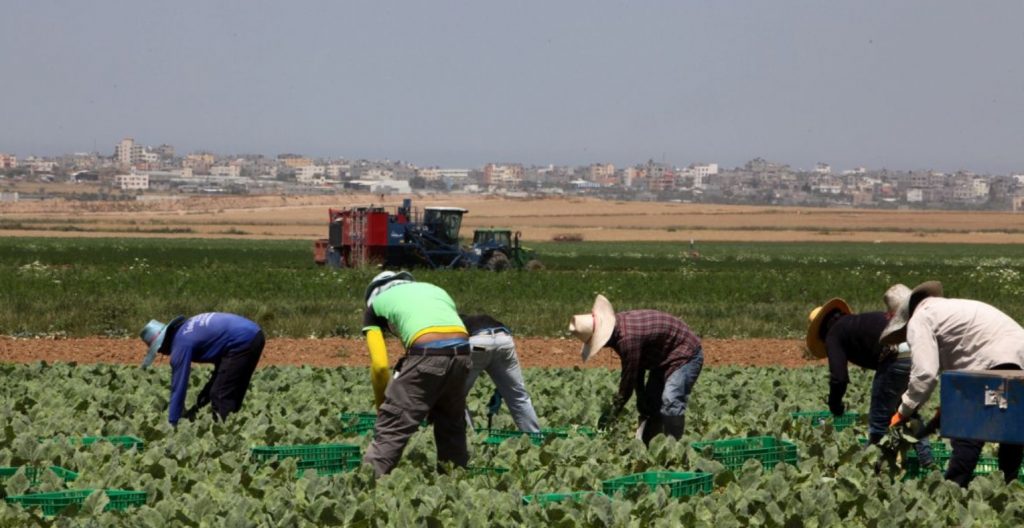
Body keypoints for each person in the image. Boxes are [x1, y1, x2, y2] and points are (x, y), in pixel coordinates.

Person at [881, 281, 1024, 487]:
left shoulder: (920, 319)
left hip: (993, 362)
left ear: (902, 316)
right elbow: (965, 357)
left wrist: (904, 410)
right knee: (1010, 427)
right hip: (1017, 360)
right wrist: (947, 407)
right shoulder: (946, 309)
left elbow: (924, 375)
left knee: (967, 430)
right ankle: (1009, 487)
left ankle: (954, 489)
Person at [362, 271, 471, 476]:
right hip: (463, 354)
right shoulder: (436, 290)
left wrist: (383, 407)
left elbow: (379, 366)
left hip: (426, 352)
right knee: (451, 425)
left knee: (391, 430)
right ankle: (454, 482)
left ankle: (367, 483)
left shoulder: (375, 307)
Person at [806, 296, 932, 465]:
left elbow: (838, 377)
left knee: (879, 421)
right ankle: (927, 460)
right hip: (917, 352)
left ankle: (872, 467)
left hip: (894, 357)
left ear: (821, 330)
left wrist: (834, 404)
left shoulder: (834, 334)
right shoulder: (856, 322)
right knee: (908, 411)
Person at [569, 294, 702, 445]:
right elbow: (637, 369)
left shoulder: (626, 338)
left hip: (686, 353)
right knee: (652, 404)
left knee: (671, 399)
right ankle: (651, 445)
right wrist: (642, 398)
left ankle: (675, 446)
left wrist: (614, 411)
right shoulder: (618, 327)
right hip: (661, 358)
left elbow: (628, 380)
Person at [140, 312, 265, 426]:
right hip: (253, 334)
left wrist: (173, 422)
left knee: (220, 394)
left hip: (242, 341)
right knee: (218, 392)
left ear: (164, 343)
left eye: (159, 349)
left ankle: (224, 432)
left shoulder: (180, 344)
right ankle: (231, 424)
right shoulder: (186, 330)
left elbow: (178, 386)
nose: (162, 353)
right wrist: (204, 397)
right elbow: (222, 356)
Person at [460, 313, 541, 433]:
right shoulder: (477, 319)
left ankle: (469, 438)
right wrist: (500, 391)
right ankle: (535, 436)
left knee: (456, 397)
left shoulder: (454, 324)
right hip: (504, 341)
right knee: (518, 396)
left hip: (479, 345)